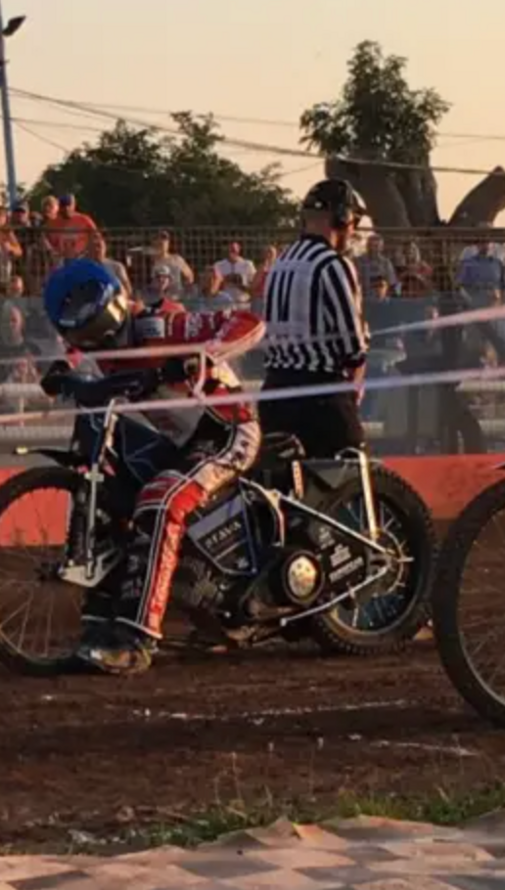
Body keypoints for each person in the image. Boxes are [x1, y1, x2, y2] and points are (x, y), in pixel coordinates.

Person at [37, 258, 264, 675]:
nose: (90, 343)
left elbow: (249, 321)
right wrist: (62, 370)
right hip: (180, 443)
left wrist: (200, 357)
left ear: (111, 312)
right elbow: (75, 354)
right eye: (79, 335)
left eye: (91, 332)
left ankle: (138, 640)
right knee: (109, 495)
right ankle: (98, 627)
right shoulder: (98, 347)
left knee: (160, 501)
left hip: (228, 430)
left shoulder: (162, 325)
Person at [259, 180, 371, 459]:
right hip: (319, 396)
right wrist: (355, 381)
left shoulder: (281, 262)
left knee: (287, 488)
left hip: (274, 392)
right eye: (353, 222)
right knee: (353, 473)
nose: (353, 230)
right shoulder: (332, 263)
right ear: (343, 217)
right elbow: (352, 346)